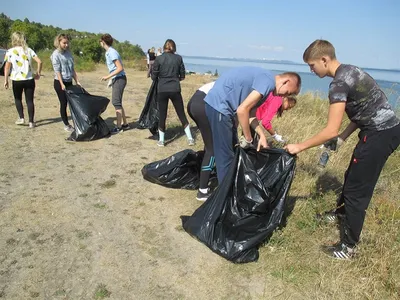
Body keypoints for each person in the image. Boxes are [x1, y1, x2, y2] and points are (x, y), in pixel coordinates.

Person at [285, 39, 400, 260]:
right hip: (382, 129)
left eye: (312, 65)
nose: (311, 70)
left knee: (358, 190)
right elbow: (363, 108)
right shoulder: (351, 70)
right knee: (352, 175)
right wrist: (343, 138)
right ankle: (339, 213)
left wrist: (299, 146)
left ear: (324, 59)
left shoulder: (338, 84)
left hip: (379, 134)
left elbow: (329, 130)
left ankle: (348, 247)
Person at [204, 66, 301, 183]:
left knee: (230, 152)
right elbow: (242, 110)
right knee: (225, 157)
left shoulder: (266, 82)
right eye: (287, 92)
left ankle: (229, 190)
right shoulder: (268, 82)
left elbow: (251, 115)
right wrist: (248, 138)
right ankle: (225, 197)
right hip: (220, 107)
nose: (284, 96)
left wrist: (262, 136)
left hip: (221, 107)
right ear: (286, 81)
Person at [151, 39, 194, 147]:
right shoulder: (178, 58)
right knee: (181, 114)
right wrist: (175, 79)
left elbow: (153, 76)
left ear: (164, 47)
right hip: (175, 88)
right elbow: (183, 75)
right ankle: (190, 138)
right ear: (174, 47)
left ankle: (161, 140)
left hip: (162, 89)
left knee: (162, 115)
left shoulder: (159, 59)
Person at [3, 32, 42, 128]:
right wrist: (38, 73)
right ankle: (31, 122)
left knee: (17, 99)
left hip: (16, 80)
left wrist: (6, 80)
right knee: (29, 100)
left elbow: (7, 67)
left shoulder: (10, 51)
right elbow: (39, 61)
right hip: (29, 79)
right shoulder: (28, 50)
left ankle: (21, 118)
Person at [187, 81, 216, 201]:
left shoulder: (230, 82)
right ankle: (202, 191)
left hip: (194, 102)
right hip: (202, 105)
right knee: (212, 149)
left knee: (209, 144)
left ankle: (203, 177)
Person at [51, 33, 82, 132]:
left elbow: (72, 69)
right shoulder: (55, 54)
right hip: (60, 82)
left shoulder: (69, 53)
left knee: (72, 103)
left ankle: (76, 122)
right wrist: (61, 84)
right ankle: (66, 124)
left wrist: (77, 80)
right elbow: (57, 71)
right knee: (63, 103)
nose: (66, 45)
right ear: (59, 42)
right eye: (64, 43)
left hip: (69, 81)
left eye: (67, 43)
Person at [100, 33, 129, 134]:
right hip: (117, 78)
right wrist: (111, 79)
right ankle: (125, 124)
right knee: (118, 102)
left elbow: (120, 68)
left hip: (120, 79)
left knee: (116, 102)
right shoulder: (108, 52)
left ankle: (119, 126)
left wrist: (107, 77)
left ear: (103, 42)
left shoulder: (112, 52)